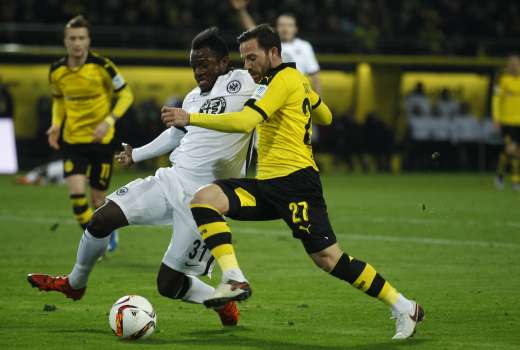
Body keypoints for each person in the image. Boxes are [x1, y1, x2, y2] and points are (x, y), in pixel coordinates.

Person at [162, 24, 424, 340]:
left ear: (273, 53)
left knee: (329, 259)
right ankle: (233, 277)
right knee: (205, 199)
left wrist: (190, 118)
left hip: (297, 185)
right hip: (268, 184)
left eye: (252, 58)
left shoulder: (283, 80)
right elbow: (326, 116)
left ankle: (404, 306)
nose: (247, 66)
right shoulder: (288, 80)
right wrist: (308, 96)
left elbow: (245, 122)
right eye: (244, 59)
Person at [27, 27, 257, 327]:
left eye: (205, 64)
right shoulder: (190, 98)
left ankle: (220, 302)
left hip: (208, 199)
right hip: (171, 179)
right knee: (101, 220)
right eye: (194, 66)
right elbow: (175, 136)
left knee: (168, 284)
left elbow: (275, 84)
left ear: (225, 62)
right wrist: (136, 154)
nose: (198, 72)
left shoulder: (243, 81)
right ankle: (75, 283)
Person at [46, 15, 134, 250]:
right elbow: (58, 100)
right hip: (72, 141)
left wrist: (109, 120)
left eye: (81, 38)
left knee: (97, 200)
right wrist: (56, 124)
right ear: (65, 41)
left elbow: (126, 95)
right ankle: (95, 241)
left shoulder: (103, 67)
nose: (77, 43)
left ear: (88, 41)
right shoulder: (56, 71)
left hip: (101, 142)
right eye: (72, 38)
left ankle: (105, 233)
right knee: (77, 199)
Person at [230, 0, 321, 94]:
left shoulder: (304, 46)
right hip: (271, 91)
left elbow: (315, 75)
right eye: (282, 25)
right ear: (276, 28)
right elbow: (252, 30)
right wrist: (241, 10)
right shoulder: (269, 43)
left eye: (289, 25)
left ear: (295, 29)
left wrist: (319, 100)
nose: (285, 29)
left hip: (296, 92)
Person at [492, 55, 520, 191]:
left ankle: (499, 175)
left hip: (519, 122)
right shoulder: (502, 80)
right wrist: (496, 118)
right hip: (506, 122)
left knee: (510, 152)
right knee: (512, 149)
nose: (515, 66)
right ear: (508, 66)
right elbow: (496, 100)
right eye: (513, 64)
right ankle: (516, 181)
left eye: (517, 64)